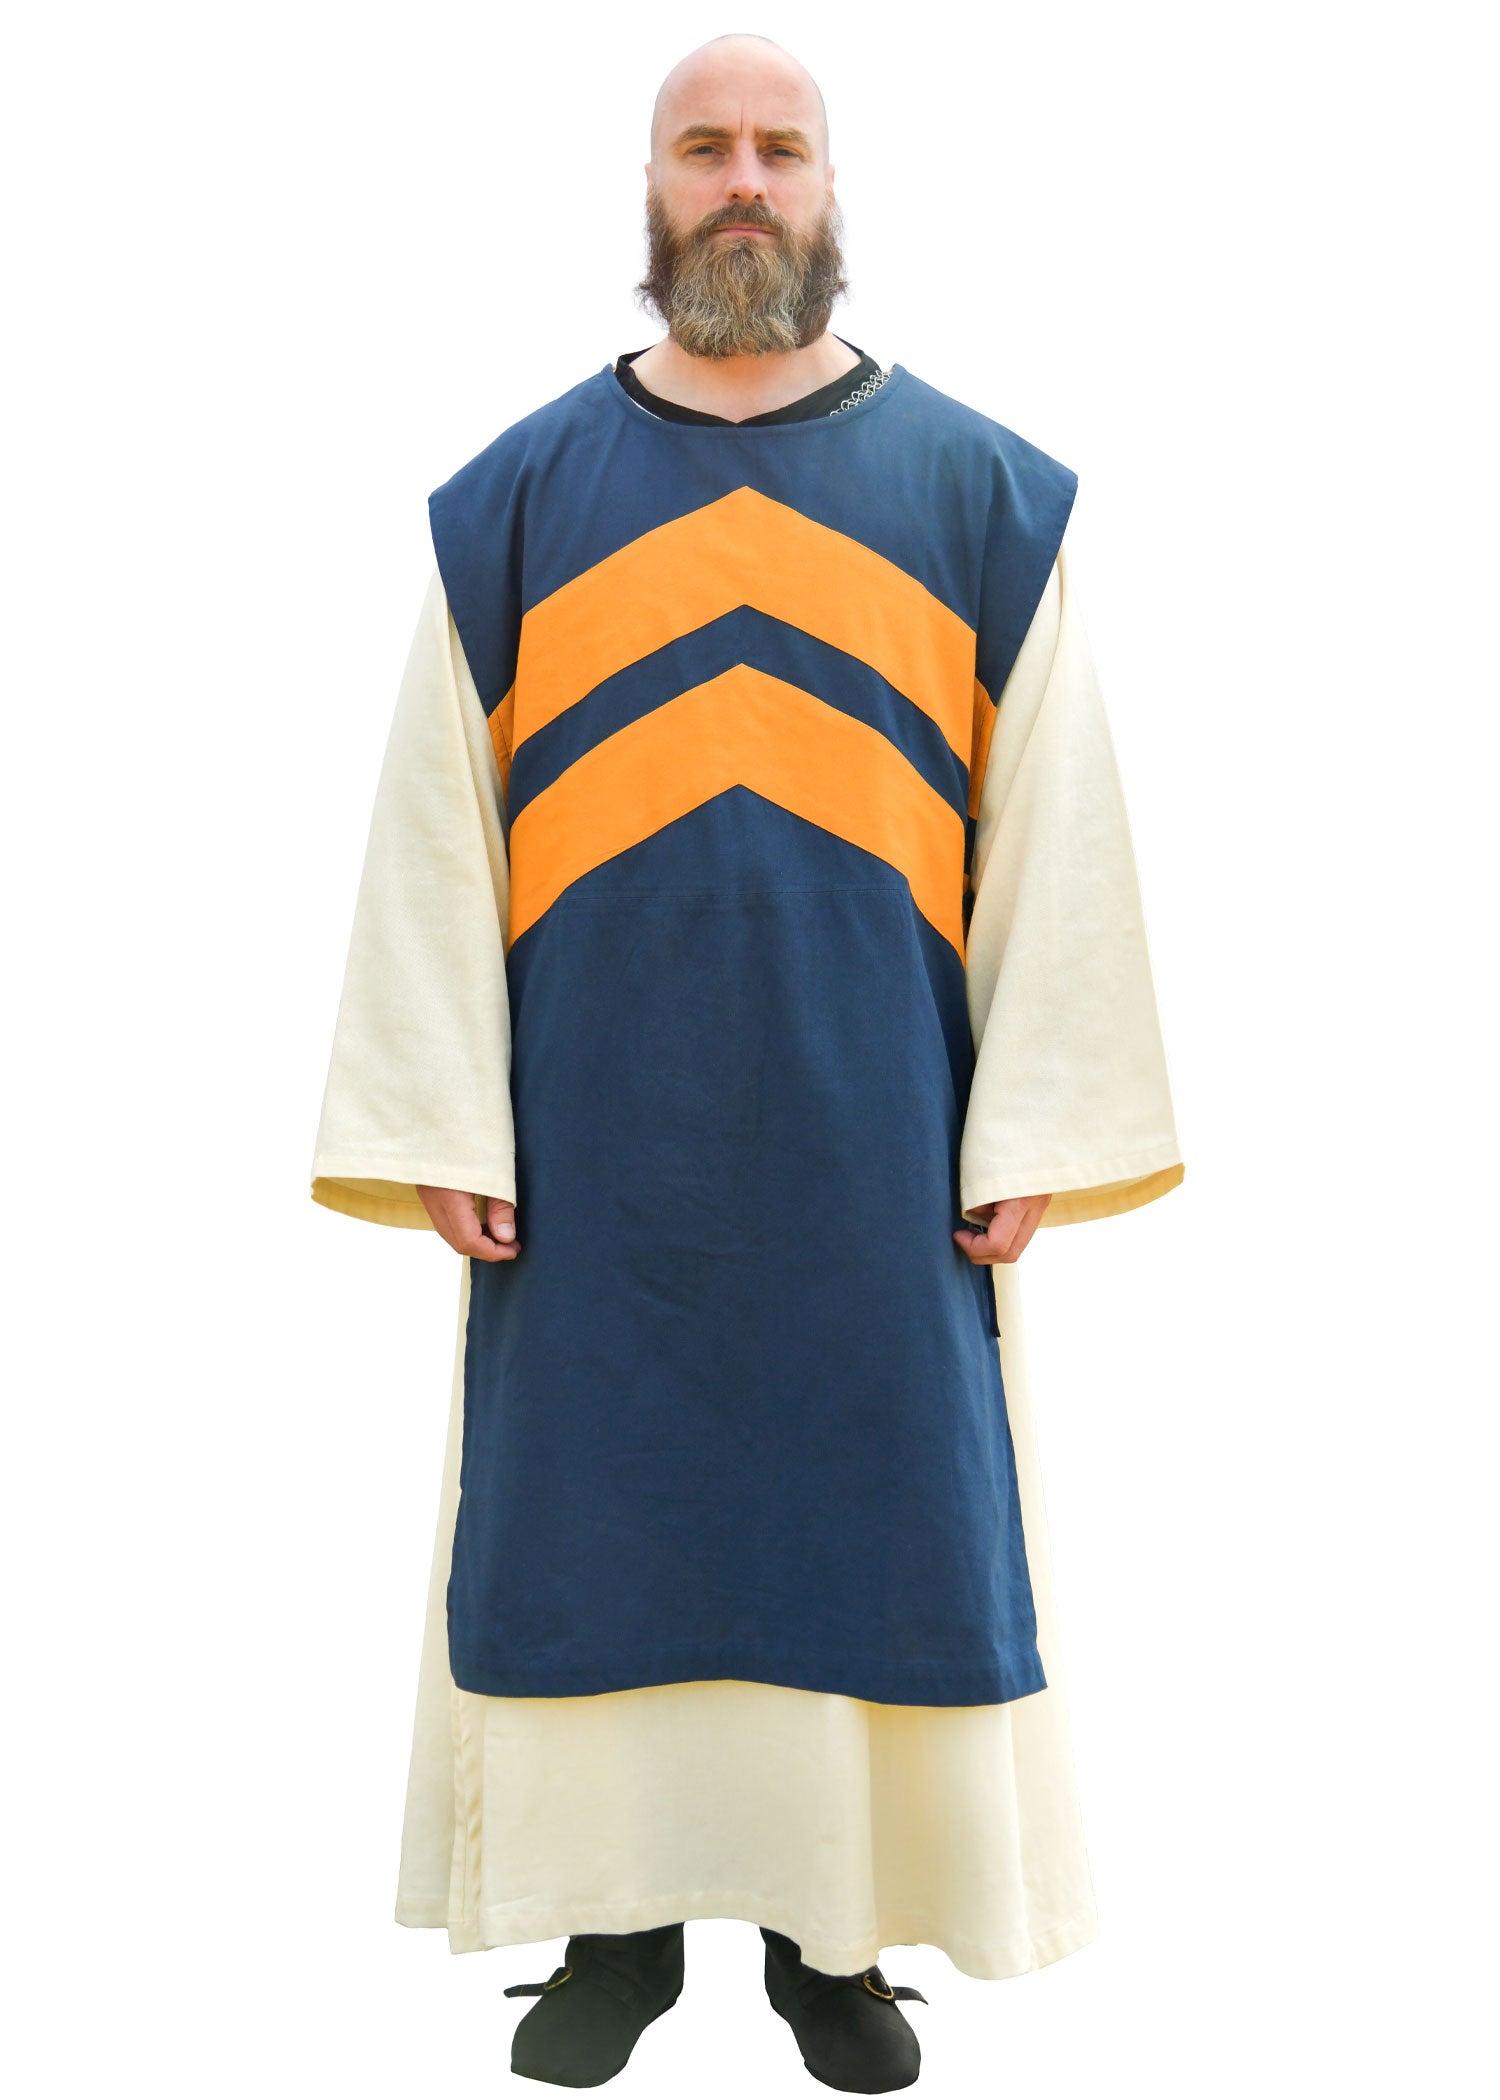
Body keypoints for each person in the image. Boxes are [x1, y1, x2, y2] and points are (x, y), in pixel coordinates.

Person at [309, 31, 1184, 2094]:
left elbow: (1055, 833)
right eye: (703, 146)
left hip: (880, 1144)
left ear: (830, 188)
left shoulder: (979, 496)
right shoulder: (517, 501)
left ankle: (832, 1945)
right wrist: (442, 1110)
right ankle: (609, 1938)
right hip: (591, 1152)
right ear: (652, 188)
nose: (743, 180)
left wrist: (1033, 1117)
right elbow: (433, 827)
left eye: (780, 147)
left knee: (867, 1529)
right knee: (588, 1526)